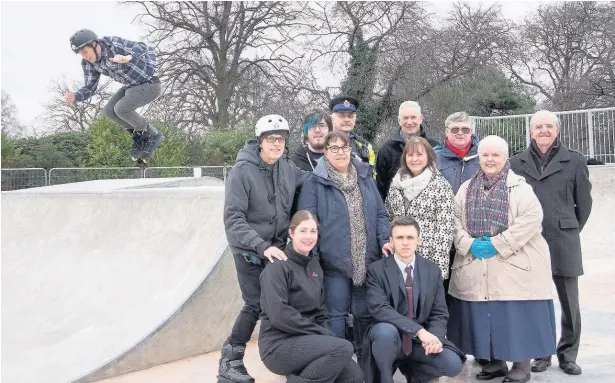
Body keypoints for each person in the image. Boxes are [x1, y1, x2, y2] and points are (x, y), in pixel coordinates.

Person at [447, 135, 557, 383]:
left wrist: (497, 244)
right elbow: (453, 221)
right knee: (487, 316)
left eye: (495, 155)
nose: (490, 159)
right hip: (476, 262)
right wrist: (469, 243)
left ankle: (521, 366)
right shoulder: (466, 188)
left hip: (513, 264)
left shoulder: (520, 187)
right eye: (485, 155)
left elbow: (531, 218)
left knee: (514, 316)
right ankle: (496, 363)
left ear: (505, 158)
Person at [219, 114, 307, 383]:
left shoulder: (287, 168)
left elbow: (312, 180)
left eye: (280, 140)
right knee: (256, 303)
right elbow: (233, 219)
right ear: (260, 142)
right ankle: (229, 362)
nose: (276, 144)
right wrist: (261, 246)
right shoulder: (242, 172)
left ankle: (290, 357)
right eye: (271, 140)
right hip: (248, 249)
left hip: (276, 248)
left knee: (282, 302)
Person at [297, 131, 392, 365]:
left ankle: (365, 364)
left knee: (364, 315)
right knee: (335, 318)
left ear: (350, 149)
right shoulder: (314, 182)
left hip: (367, 260)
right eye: (334, 148)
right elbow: (309, 223)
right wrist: (314, 262)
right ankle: (338, 366)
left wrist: (385, 239)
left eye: (344, 147)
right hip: (333, 265)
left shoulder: (365, 178)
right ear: (325, 152)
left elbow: (380, 214)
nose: (340, 152)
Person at [510, 110, 593, 376]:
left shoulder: (575, 161)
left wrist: (569, 227)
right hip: (530, 243)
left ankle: (568, 354)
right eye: (538, 127)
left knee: (570, 302)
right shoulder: (516, 163)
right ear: (530, 131)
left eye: (549, 126)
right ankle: (541, 352)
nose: (543, 131)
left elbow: (585, 205)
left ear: (557, 130)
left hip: (564, 241)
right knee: (536, 300)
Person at [259, 210, 363, 383]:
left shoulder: (314, 266)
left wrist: (325, 332)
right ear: (291, 233)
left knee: (354, 375)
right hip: (278, 345)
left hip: (307, 340)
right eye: (303, 230)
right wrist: (321, 333)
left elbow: (321, 310)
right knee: (344, 348)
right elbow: (279, 315)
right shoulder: (277, 267)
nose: (309, 236)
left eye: (313, 231)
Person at [363, 216, 465, 383]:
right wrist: (419, 331)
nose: (405, 242)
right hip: (391, 340)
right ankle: (385, 378)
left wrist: (434, 339)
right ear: (391, 241)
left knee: (453, 364)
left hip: (419, 343)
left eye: (410, 237)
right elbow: (380, 309)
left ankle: (417, 374)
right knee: (384, 332)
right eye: (399, 238)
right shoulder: (376, 270)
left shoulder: (432, 270)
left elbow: (439, 312)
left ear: (418, 240)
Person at [65, 29, 164, 161]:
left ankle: (152, 135)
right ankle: (140, 137)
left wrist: (128, 57)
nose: (85, 57)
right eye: (81, 54)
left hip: (150, 84)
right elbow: (90, 86)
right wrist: (76, 96)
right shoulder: (89, 63)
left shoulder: (112, 44)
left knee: (121, 108)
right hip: (130, 86)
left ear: (94, 44)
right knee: (109, 111)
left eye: (85, 52)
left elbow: (143, 48)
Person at [385, 136, 455, 279]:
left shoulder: (440, 186)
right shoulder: (396, 183)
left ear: (428, 157)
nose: (414, 159)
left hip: (427, 260)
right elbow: (388, 215)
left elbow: (445, 231)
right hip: (398, 257)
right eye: (410, 155)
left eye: (419, 154)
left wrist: (437, 271)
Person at [376, 101, 439, 200]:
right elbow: (380, 188)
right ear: (399, 120)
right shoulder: (386, 149)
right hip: (396, 212)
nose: (409, 122)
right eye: (405, 118)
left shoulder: (434, 146)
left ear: (421, 119)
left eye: (413, 117)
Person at [329, 95, 377, 177]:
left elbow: (372, 177)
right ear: (332, 119)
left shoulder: (365, 146)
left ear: (355, 120)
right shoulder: (323, 144)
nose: (347, 120)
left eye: (350, 116)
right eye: (342, 116)